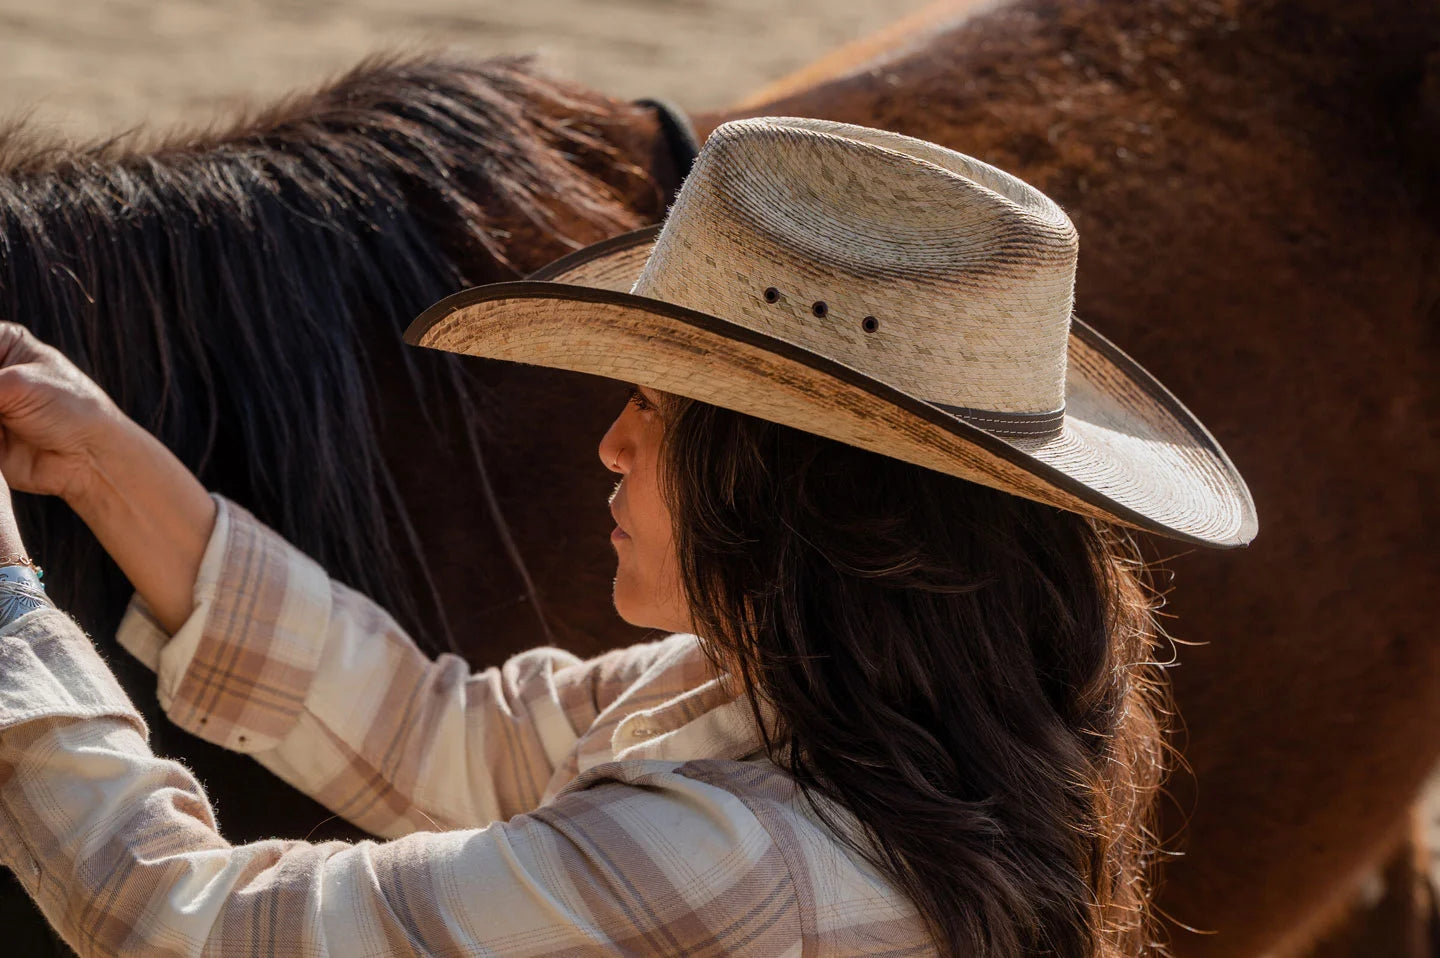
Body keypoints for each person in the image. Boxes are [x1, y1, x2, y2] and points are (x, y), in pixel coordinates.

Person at [0, 117, 1255, 957]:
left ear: (788, 490)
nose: (608, 444)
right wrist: (112, 464)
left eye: (655, 410)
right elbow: (452, 734)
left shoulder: (719, 854)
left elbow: (180, 923)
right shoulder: (867, 717)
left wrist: (11, 607)